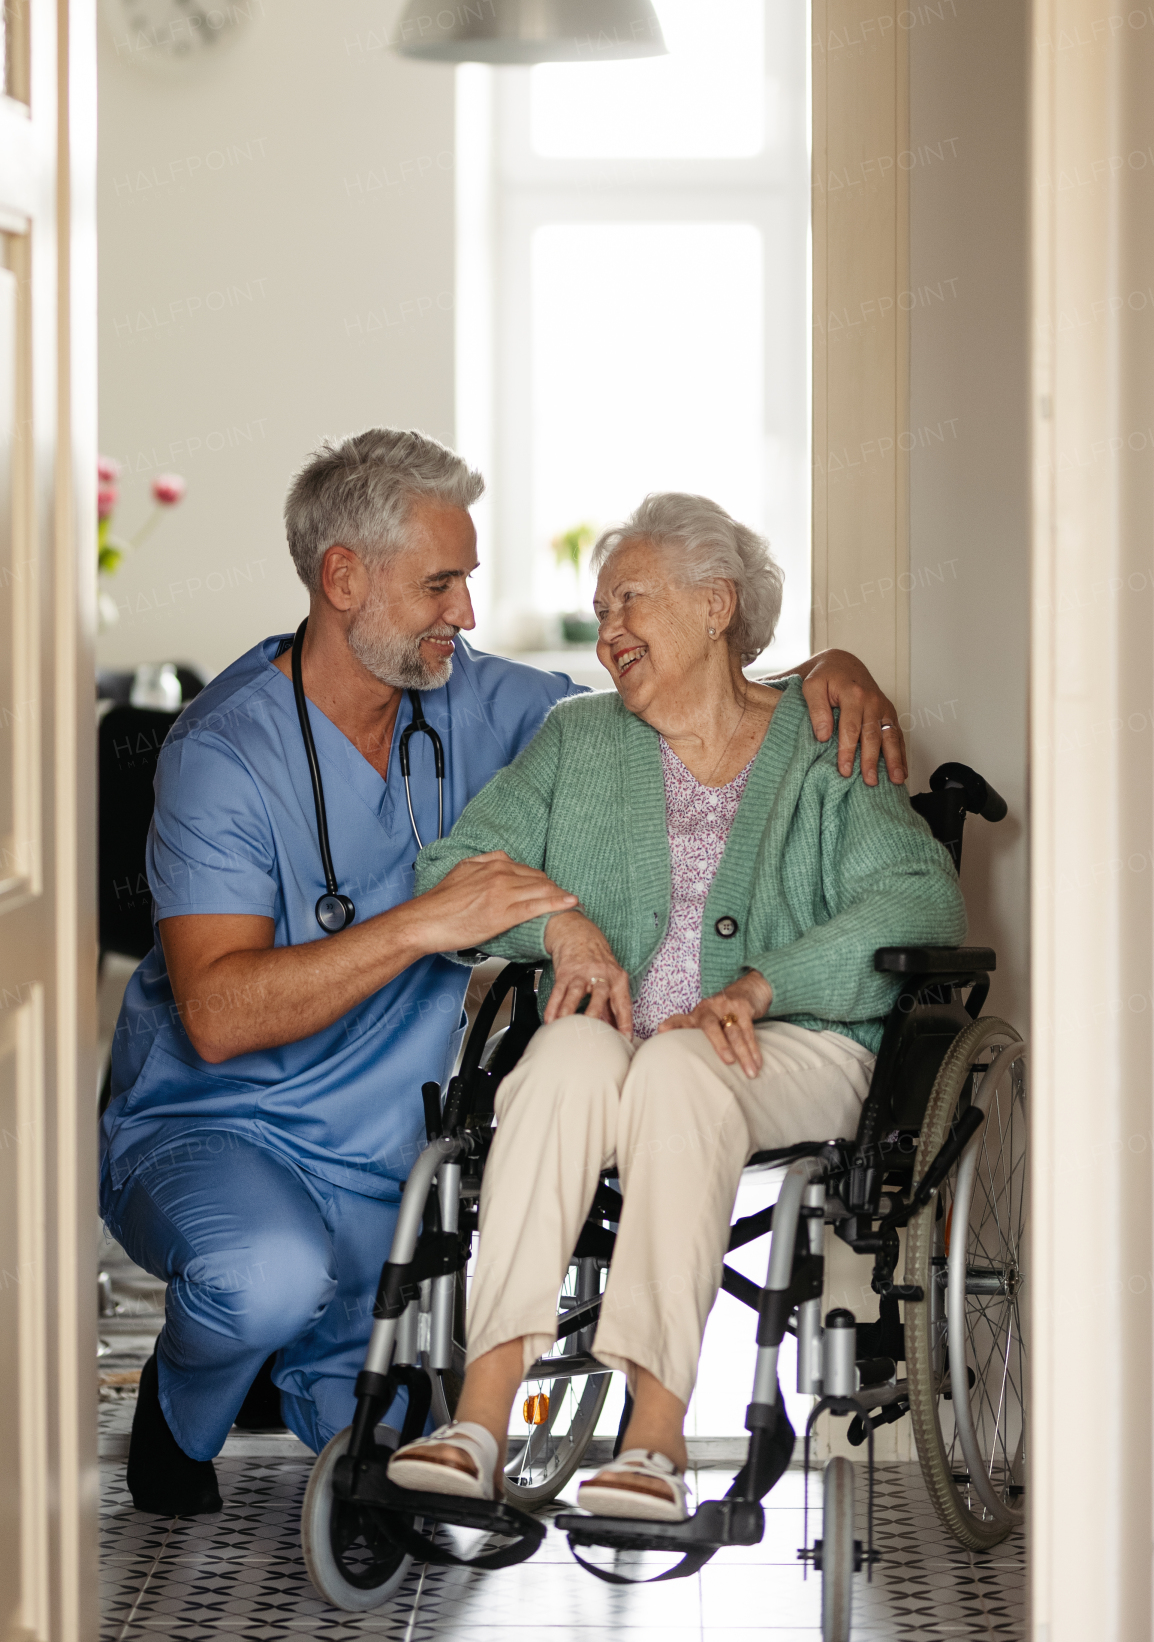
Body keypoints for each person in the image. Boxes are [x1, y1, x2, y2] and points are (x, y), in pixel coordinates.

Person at [99, 432, 909, 1517]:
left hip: (388, 1151)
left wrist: (826, 671)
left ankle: (379, 1391)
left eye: (468, 580)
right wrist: (423, 924)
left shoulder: (489, 706)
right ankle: (183, 1397)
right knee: (261, 1281)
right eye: (442, 582)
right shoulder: (220, 755)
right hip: (224, 1122)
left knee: (382, 1452)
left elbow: (684, 699)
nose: (467, 613)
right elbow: (217, 1014)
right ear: (345, 578)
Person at [390, 492, 963, 1518]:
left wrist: (764, 981)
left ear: (714, 608)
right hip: (620, 1042)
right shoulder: (576, 740)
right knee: (560, 1060)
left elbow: (915, 897)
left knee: (677, 1069)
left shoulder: (822, 741)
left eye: (629, 604)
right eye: (600, 612)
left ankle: (650, 1440)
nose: (607, 633)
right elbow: (453, 867)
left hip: (788, 1046)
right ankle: (478, 1420)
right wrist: (552, 926)